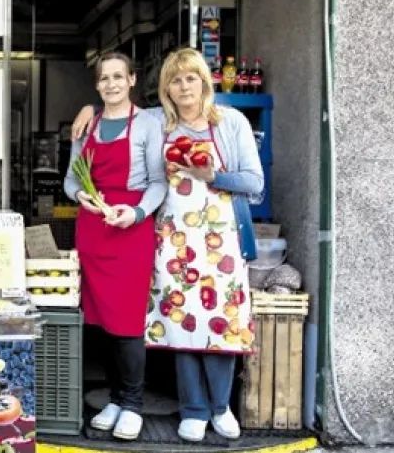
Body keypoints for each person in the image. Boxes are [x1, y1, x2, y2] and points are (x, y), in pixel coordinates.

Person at [70, 48, 263, 442]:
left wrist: (214, 175)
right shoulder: (160, 121)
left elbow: (255, 184)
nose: (183, 87)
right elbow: (117, 104)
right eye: (175, 81)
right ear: (165, 90)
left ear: (205, 81)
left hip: (220, 240)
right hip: (173, 240)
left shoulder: (231, 122)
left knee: (220, 324)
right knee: (182, 324)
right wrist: (89, 108)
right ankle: (192, 408)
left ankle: (220, 406)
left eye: (191, 78)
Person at [63, 52, 166, 440]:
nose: (111, 84)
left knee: (127, 324)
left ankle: (133, 403)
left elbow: (159, 182)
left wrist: (137, 213)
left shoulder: (148, 124)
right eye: (104, 78)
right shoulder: (86, 126)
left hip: (129, 229)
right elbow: (72, 179)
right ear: (97, 85)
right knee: (101, 323)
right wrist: (80, 197)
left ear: (133, 80)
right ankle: (113, 399)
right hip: (93, 229)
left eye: (118, 77)